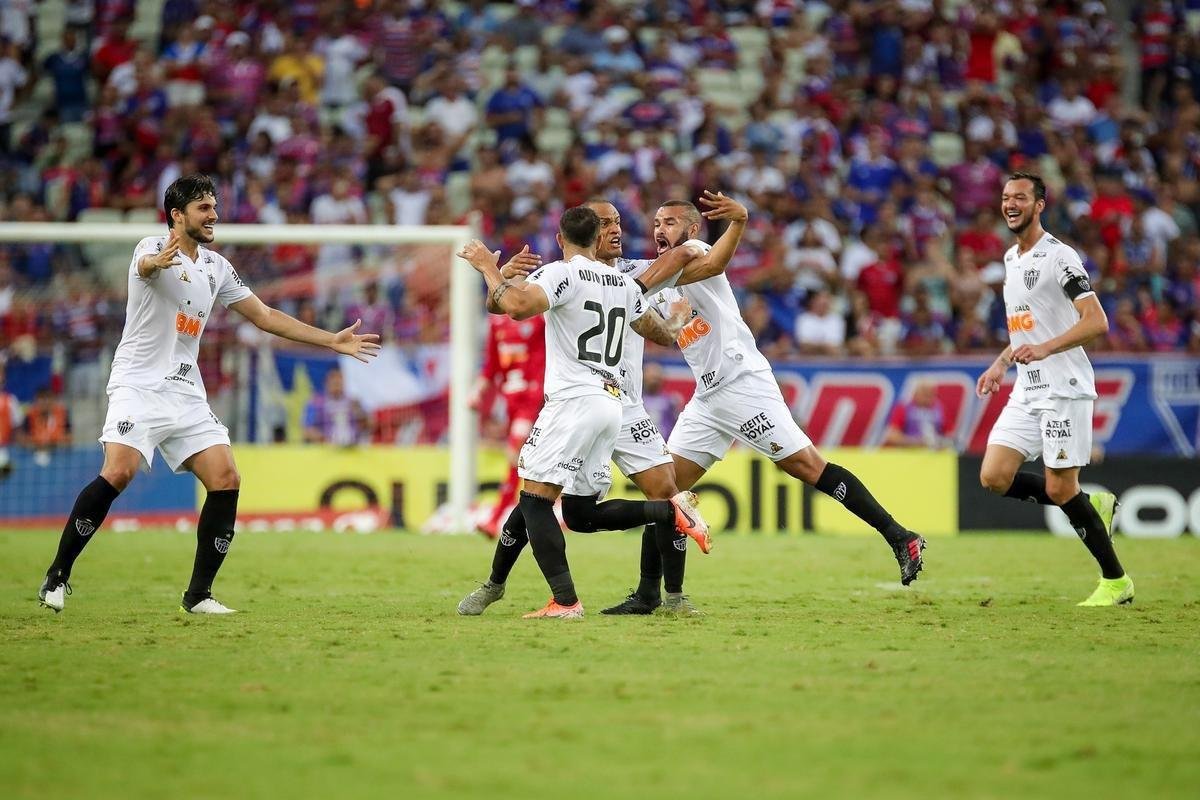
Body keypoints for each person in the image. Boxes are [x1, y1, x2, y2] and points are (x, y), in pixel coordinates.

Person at [37, 174, 381, 615]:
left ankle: (198, 595)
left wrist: (331, 340)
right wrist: (155, 264)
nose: (214, 214)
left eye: (214, 206)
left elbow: (265, 315)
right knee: (119, 473)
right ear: (177, 216)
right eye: (203, 208)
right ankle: (58, 575)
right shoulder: (148, 249)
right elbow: (144, 268)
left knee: (226, 478)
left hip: (185, 390)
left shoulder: (217, 267)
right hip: (138, 385)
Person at [622, 199, 927, 595]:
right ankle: (649, 595)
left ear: (693, 230)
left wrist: (739, 221)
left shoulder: (694, 253)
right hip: (708, 397)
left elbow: (714, 265)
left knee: (805, 465)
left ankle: (900, 536)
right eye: (656, 222)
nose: (660, 229)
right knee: (664, 491)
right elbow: (660, 327)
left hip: (742, 382)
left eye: (671, 222)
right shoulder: (657, 277)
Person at [455, 206, 706, 619]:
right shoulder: (625, 284)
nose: (616, 231)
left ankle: (566, 601)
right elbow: (657, 330)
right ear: (596, 236)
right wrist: (677, 323)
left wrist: (488, 266)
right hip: (610, 402)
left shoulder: (561, 273)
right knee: (576, 512)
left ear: (560, 240)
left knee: (534, 499)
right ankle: (669, 510)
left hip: (576, 401)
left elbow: (515, 306)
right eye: (608, 224)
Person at [977, 172, 1132, 606]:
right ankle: (1090, 505)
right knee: (993, 476)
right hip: (1027, 389)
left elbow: (1096, 321)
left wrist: (1045, 349)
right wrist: (1001, 362)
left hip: (1063, 387)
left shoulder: (1059, 258)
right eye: (1006, 197)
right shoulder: (1011, 259)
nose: (1011, 204)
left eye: (1020, 198)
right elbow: (1028, 328)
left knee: (1062, 489)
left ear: (1039, 205)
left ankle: (1116, 581)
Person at [471, 261, 546, 539]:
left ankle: (494, 518)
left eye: (519, 282)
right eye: (509, 282)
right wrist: (477, 391)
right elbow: (491, 365)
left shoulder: (536, 317)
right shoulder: (496, 323)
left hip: (534, 398)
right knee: (526, 461)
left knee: (515, 456)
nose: (514, 287)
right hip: (511, 401)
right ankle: (547, 510)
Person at [302, 367, 370, 446]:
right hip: (326, 448)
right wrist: (324, 440)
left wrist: (361, 415)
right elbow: (307, 430)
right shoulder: (316, 403)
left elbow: (369, 425)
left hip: (353, 448)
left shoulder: (354, 402)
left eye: (339, 382)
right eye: (334, 382)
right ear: (326, 383)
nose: (337, 385)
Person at [883, 383, 949, 448]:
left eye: (931, 394)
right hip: (909, 452)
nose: (927, 398)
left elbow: (950, 434)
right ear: (915, 394)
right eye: (924, 394)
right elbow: (892, 436)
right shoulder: (904, 408)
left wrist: (940, 442)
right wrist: (917, 442)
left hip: (935, 452)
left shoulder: (940, 409)